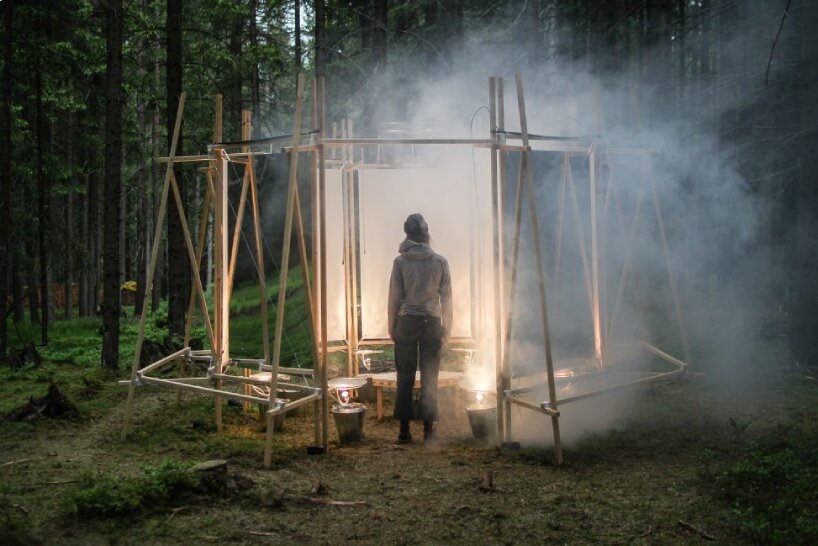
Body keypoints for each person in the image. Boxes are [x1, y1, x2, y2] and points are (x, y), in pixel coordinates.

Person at [388, 213, 452, 444]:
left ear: (407, 234)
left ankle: (404, 430)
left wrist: (392, 326)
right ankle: (428, 430)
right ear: (426, 234)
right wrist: (447, 327)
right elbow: (447, 299)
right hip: (432, 323)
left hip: (406, 322)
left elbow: (394, 298)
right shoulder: (440, 262)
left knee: (404, 375)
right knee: (430, 375)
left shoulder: (400, 262)